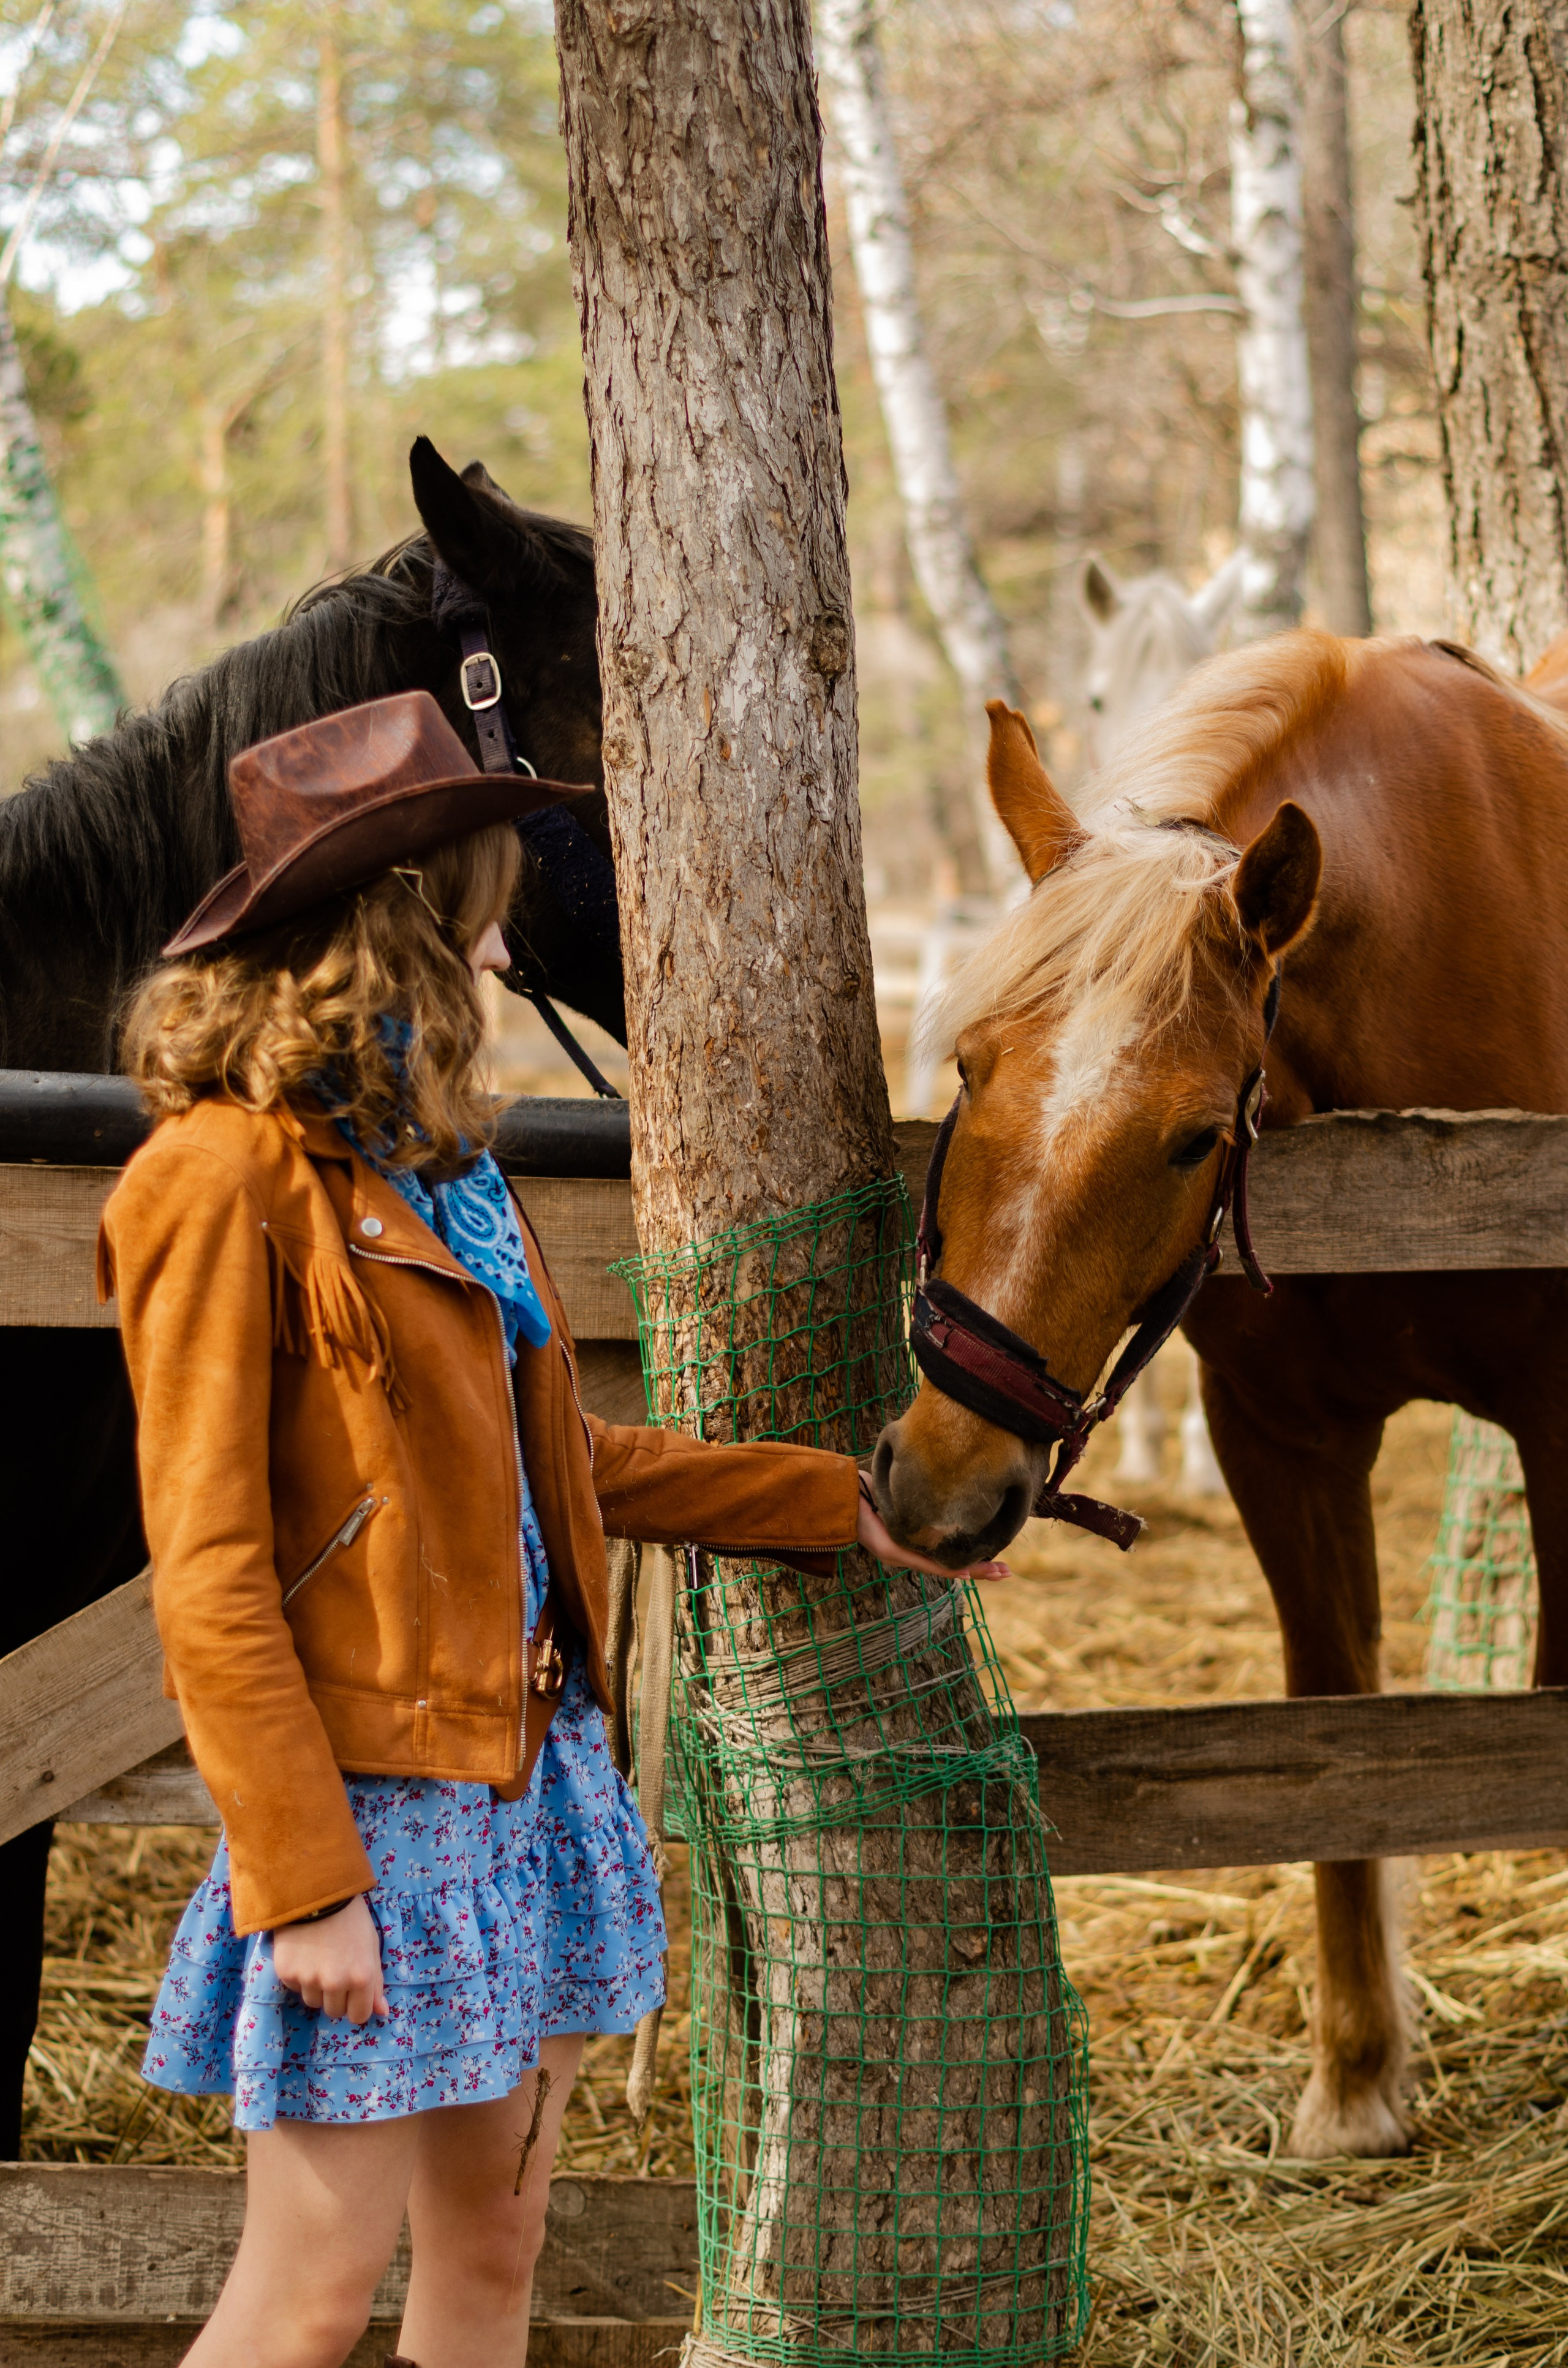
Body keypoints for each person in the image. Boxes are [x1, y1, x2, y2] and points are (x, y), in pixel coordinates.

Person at [99, 690, 1003, 2368]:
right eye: (494, 885)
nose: (516, 928)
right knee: (303, 2298)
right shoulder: (218, 1180)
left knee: (497, 2260)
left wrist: (842, 1507)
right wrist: (302, 1884)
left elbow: (549, 1468)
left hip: (531, 1787)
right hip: (369, 1819)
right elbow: (210, 1573)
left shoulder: (444, 1169)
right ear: (420, 913)